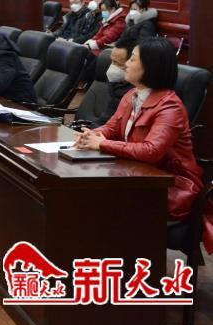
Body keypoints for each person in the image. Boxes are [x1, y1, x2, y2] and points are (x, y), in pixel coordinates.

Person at [74, 38, 212, 252]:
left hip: (169, 186)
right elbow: (111, 128)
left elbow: (151, 151)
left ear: (150, 67)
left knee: (94, 201)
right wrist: (92, 135)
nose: (126, 64)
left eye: (132, 59)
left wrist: (102, 144)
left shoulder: (170, 107)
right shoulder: (132, 95)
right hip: (135, 176)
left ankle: (115, 262)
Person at [92, 35, 137, 126]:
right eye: (112, 61)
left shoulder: (134, 93)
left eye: (117, 63)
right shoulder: (116, 83)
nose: (112, 67)